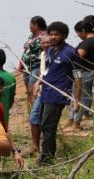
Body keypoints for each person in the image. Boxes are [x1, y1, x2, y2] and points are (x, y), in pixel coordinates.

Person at [37, 21, 78, 164]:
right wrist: (38, 83)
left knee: (49, 126)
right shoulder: (51, 50)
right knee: (43, 124)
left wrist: (76, 101)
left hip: (57, 94)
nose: (53, 37)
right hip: (46, 93)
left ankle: (47, 159)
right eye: (51, 34)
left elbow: (77, 77)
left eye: (56, 34)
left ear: (64, 35)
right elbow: (48, 71)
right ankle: (45, 154)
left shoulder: (71, 53)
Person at [21, 16, 48, 152]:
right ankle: (34, 113)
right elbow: (26, 49)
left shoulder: (44, 37)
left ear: (36, 24)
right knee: (29, 91)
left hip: (36, 67)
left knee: (33, 91)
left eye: (30, 24)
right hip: (28, 66)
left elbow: (39, 52)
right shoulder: (33, 35)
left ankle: (35, 114)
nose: (29, 26)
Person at [67, 20, 94, 131]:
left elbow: (77, 57)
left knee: (79, 98)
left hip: (83, 72)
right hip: (90, 71)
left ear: (83, 31)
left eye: (78, 33)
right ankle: (72, 122)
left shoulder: (86, 43)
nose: (78, 36)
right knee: (83, 97)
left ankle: (75, 123)